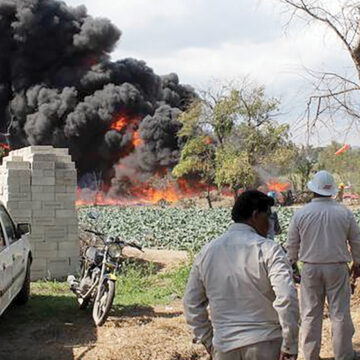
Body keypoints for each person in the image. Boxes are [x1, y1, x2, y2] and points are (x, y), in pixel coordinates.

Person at [183, 190, 299, 360]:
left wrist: (208, 341)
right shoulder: (269, 249)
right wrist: (289, 345)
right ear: (255, 215)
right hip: (266, 344)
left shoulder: (207, 252)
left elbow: (191, 303)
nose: (269, 223)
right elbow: (287, 297)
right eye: (267, 216)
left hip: (224, 346)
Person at [286, 170, 360, 360]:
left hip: (310, 268)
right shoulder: (344, 213)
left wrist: (292, 265)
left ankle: (311, 355)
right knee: (340, 314)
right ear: (332, 191)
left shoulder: (301, 214)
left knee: (310, 314)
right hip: (337, 267)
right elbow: (356, 242)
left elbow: (292, 245)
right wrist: (357, 264)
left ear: (313, 190)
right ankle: (343, 355)